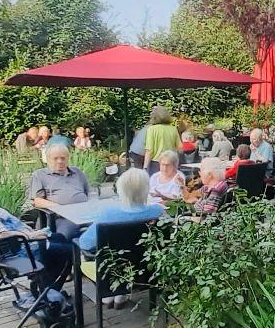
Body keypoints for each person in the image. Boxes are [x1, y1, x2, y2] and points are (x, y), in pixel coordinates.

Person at [76, 168, 164, 308]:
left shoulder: (109, 215)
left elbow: (85, 244)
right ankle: (119, 295)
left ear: (120, 190)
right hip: (146, 270)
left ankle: (110, 294)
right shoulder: (158, 211)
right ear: (146, 189)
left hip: (111, 271)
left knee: (85, 252)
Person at [28, 143, 90, 239]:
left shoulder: (77, 172)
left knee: (103, 227)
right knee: (67, 234)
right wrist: (61, 210)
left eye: (63, 158)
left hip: (83, 214)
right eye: (55, 158)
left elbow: (87, 194)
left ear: (68, 158)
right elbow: (37, 201)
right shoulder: (40, 175)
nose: (60, 161)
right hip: (60, 218)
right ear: (48, 159)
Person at [144, 106, 182, 177]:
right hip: (170, 162)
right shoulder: (173, 129)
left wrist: (145, 167)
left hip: (155, 163)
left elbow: (149, 150)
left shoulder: (151, 129)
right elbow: (180, 148)